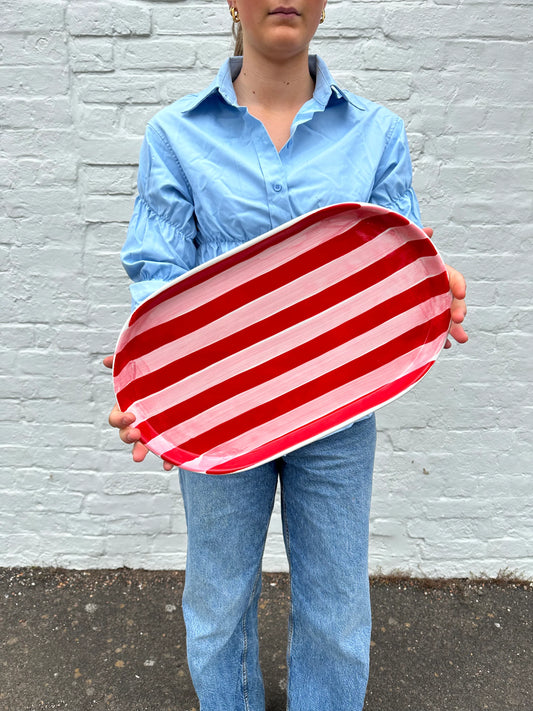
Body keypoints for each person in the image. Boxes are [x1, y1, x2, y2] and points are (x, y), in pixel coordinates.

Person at [104, 2, 468, 709]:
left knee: (335, 604)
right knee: (217, 600)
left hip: (337, 405)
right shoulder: (175, 135)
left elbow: (396, 262)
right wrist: (153, 388)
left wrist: (432, 289)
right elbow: (157, 273)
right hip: (218, 407)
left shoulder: (375, 133)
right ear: (232, 4)